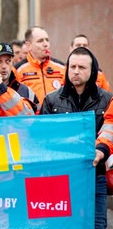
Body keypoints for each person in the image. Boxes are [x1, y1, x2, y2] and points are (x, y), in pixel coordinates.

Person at [40, 47, 113, 229]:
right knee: (59, 224)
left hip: (94, 175)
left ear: (93, 71)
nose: (76, 71)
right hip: (59, 176)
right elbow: (42, 137)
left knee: (97, 225)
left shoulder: (107, 100)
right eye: (72, 67)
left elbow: (110, 130)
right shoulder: (51, 100)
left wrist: (101, 151)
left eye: (82, 67)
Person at [14, 26, 65, 104]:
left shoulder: (61, 67)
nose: (46, 44)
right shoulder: (17, 70)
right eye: (40, 41)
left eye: (47, 40)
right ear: (29, 45)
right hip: (31, 115)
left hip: (57, 115)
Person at [0, 42, 38, 111]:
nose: (4, 66)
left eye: (8, 61)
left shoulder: (26, 91)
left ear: (13, 62)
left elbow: (36, 118)